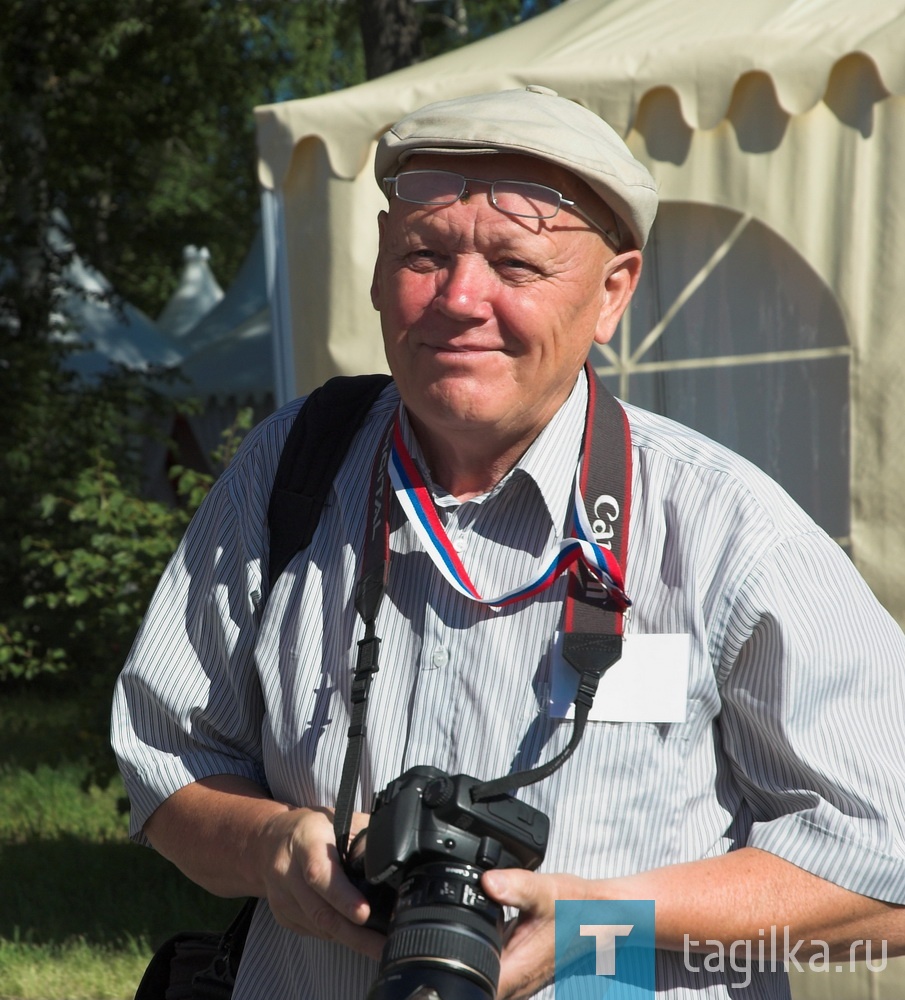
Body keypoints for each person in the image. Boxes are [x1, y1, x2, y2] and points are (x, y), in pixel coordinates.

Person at [112, 87, 905, 1000]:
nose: (459, 300)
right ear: (376, 270)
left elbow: (886, 868)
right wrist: (267, 846)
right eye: (424, 254)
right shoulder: (288, 471)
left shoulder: (724, 529)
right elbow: (169, 766)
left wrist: (599, 919)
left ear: (613, 294)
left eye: (516, 265)